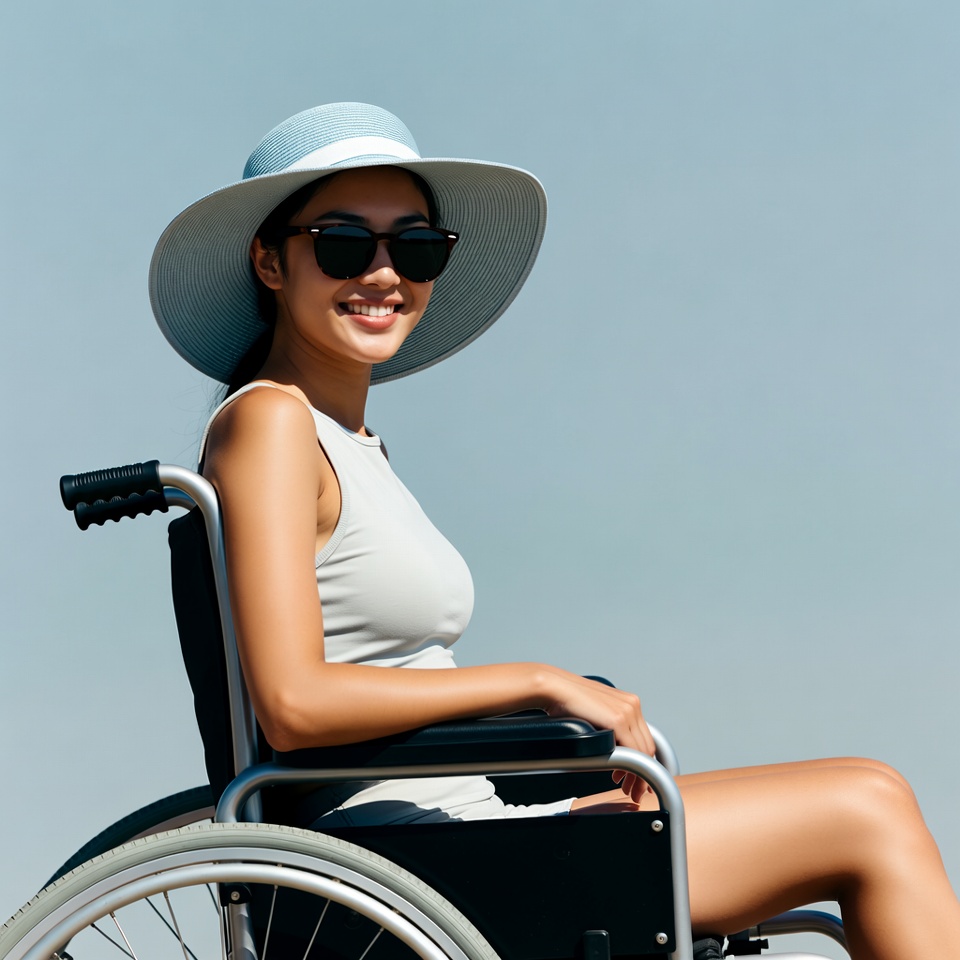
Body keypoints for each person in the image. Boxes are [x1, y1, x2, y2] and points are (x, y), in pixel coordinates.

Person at [151, 102, 960, 959]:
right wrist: (537, 683)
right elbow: (293, 704)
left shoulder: (351, 444)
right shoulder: (271, 423)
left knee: (851, 792)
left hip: (460, 822)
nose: (383, 273)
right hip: (395, 861)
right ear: (270, 261)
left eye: (415, 248)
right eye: (344, 244)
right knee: (868, 808)